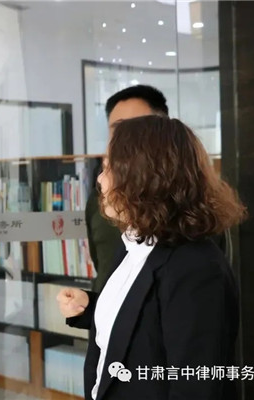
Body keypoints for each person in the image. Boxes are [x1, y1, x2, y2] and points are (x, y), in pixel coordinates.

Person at [57, 115, 246, 400]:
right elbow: (145, 320)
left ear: (143, 177)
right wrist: (90, 306)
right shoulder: (135, 244)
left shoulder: (196, 268)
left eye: (108, 168)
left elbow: (195, 387)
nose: (100, 180)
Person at [86, 85, 169, 293]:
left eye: (137, 129)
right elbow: (104, 273)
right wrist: (89, 306)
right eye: (118, 129)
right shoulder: (100, 200)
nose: (126, 138)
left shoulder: (186, 203)